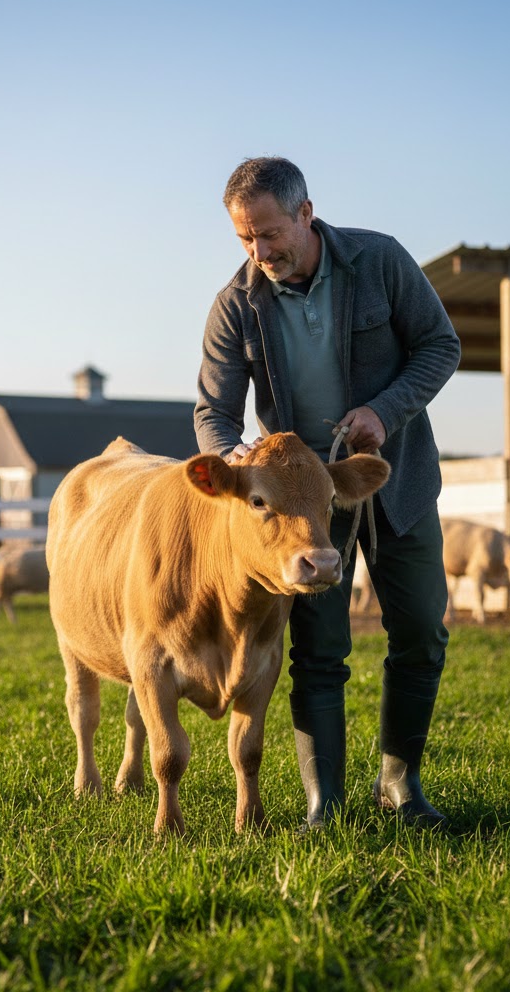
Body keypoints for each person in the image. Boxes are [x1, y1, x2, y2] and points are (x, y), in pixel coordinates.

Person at [195, 157, 461, 829]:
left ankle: (399, 784)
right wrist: (234, 453)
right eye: (244, 239)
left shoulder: (380, 261)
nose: (259, 253)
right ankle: (326, 804)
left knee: (421, 631)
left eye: (269, 234)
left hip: (396, 477)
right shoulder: (235, 305)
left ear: (306, 214)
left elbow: (440, 345)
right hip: (299, 501)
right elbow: (214, 414)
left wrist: (385, 411)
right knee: (317, 651)